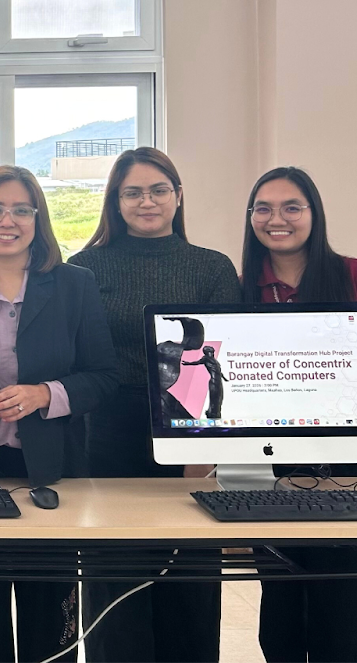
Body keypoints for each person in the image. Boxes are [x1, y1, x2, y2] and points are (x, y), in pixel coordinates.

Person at [0, 164, 118, 663]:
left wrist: (45, 394)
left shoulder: (75, 284)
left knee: (49, 624)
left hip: (52, 474)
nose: (7, 220)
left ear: (38, 219)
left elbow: (103, 374)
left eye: (21, 209)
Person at [67, 147, 239, 663]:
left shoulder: (211, 267)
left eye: (159, 189)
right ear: (116, 202)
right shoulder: (85, 267)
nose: (147, 201)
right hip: (107, 430)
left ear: (178, 196)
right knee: (114, 572)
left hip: (190, 424)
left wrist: (203, 448)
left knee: (189, 572)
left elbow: (222, 358)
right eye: (133, 192)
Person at [241, 167, 357, 663]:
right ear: (250, 218)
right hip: (270, 470)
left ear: (314, 213)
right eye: (264, 208)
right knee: (282, 612)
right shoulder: (243, 286)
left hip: (349, 469)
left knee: (343, 613)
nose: (278, 219)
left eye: (292, 207)